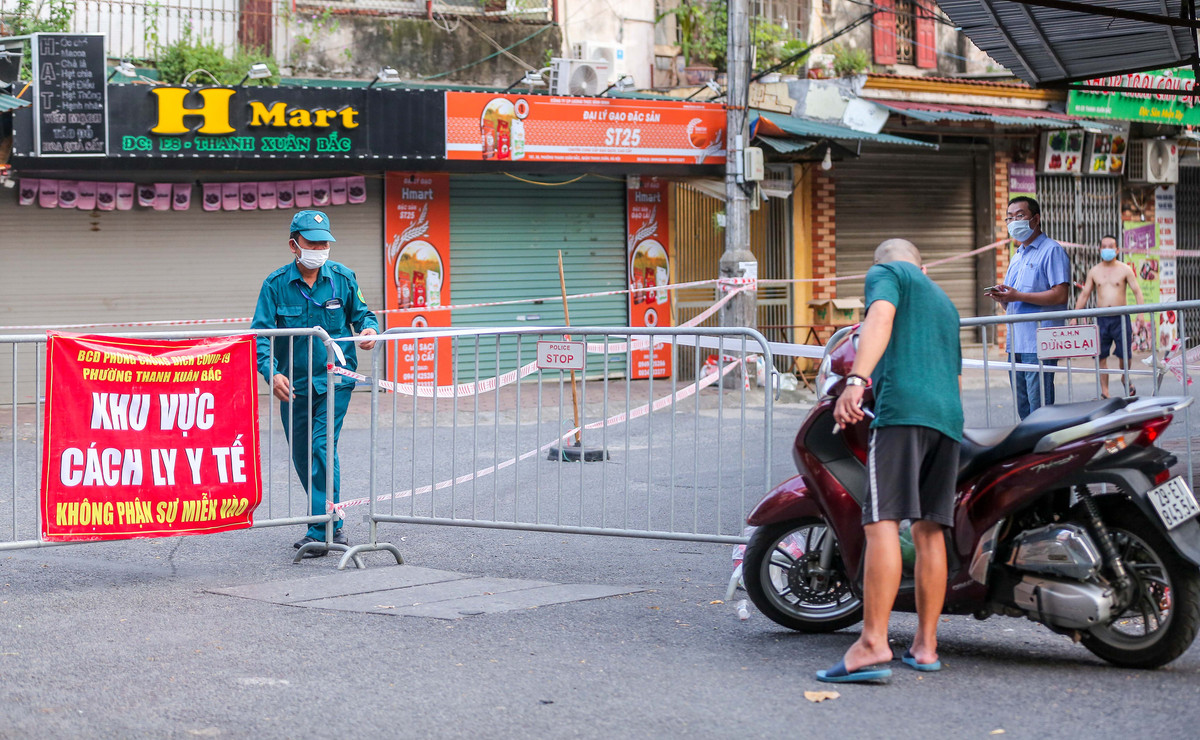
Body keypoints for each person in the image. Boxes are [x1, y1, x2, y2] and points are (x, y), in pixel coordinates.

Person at [820, 239, 963, 684]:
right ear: (924, 265)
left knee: (881, 520)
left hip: (902, 411)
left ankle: (872, 643)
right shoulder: (945, 301)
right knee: (929, 529)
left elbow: (879, 317)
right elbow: (955, 371)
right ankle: (925, 645)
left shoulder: (888, 274)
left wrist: (857, 380)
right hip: (948, 418)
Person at [252, 210, 378, 556]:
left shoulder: (343, 277)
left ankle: (324, 529)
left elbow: (363, 315)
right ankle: (328, 523)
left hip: (335, 379)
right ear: (294, 245)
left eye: (325, 242)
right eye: (313, 242)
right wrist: (271, 372)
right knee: (302, 454)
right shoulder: (275, 285)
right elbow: (261, 334)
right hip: (293, 383)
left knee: (322, 447)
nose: (321, 248)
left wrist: (370, 330)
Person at [986, 196, 1070, 419]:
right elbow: (1016, 300)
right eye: (1009, 218)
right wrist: (1004, 297)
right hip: (1016, 342)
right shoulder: (1017, 256)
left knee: (1039, 408)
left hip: (1039, 342)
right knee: (1024, 408)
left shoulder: (1051, 250)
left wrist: (1018, 295)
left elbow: (1061, 294)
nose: (1014, 222)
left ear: (1035, 219)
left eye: (1020, 216)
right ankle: (1028, 450)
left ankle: (1045, 450)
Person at [1073, 235, 1144, 398]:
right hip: (1101, 319)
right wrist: (1074, 316)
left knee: (1125, 355)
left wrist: (1141, 314)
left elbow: (1137, 291)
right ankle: (1105, 392)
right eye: (1104, 246)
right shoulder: (1094, 271)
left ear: (1117, 250)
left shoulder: (1125, 269)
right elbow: (1084, 295)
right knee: (1100, 356)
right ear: (1099, 250)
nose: (1107, 249)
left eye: (1110, 246)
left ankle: (1125, 377)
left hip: (1120, 317)